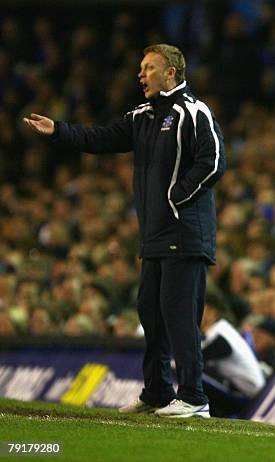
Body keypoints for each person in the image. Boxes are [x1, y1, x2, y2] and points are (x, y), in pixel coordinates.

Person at [23, 44, 226, 418]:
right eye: (140, 67)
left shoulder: (192, 112)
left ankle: (195, 397)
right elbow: (101, 139)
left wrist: (175, 197)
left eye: (149, 67)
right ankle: (158, 392)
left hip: (185, 233)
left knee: (180, 314)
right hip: (154, 235)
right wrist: (57, 131)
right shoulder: (142, 116)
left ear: (171, 72)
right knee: (150, 312)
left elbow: (213, 161)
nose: (140, 74)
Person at [200, 291, 265, 417]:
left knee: (186, 372)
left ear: (212, 312)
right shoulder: (221, 329)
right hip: (241, 391)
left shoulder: (220, 332)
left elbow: (198, 358)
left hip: (248, 397)